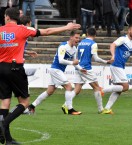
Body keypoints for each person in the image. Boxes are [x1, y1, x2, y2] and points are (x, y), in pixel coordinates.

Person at [0, 7, 80, 145]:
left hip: (1, 68)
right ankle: (2, 124)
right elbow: (47, 31)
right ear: (16, 18)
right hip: (15, 68)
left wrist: (26, 52)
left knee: (5, 102)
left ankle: (7, 139)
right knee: (24, 102)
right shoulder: (22, 29)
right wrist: (66, 27)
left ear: (7, 17)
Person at [24, 30, 85, 115]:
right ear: (71, 37)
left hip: (58, 70)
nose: (78, 39)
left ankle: (31, 106)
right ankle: (70, 109)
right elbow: (61, 60)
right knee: (68, 86)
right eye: (76, 37)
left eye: (79, 38)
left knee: (50, 91)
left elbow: (74, 62)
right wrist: (72, 63)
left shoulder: (74, 49)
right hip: (55, 69)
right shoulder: (63, 46)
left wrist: (80, 69)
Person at [103, 24, 132, 114]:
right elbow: (112, 45)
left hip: (120, 66)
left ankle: (106, 108)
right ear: (129, 31)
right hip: (116, 64)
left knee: (119, 90)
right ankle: (102, 90)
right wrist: (113, 56)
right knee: (125, 87)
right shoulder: (123, 39)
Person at [61, 28, 108, 114]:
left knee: (77, 89)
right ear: (95, 35)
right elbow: (96, 58)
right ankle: (101, 109)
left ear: (87, 34)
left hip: (78, 67)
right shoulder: (93, 44)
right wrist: (106, 62)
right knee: (96, 88)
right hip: (86, 69)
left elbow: (76, 56)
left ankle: (66, 104)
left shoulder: (80, 43)